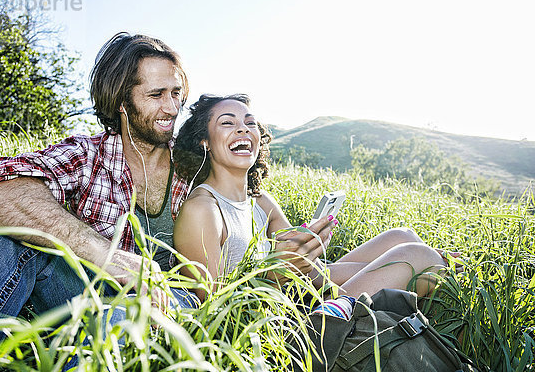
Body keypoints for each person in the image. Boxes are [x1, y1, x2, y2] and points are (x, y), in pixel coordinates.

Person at [0, 32, 198, 344]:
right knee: (8, 231)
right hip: (79, 294)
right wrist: (105, 255)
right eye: (156, 95)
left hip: (163, 304)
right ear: (122, 102)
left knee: (122, 320)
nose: (171, 108)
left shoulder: (195, 164)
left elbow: (253, 200)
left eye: (176, 93)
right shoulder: (87, 155)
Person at [172, 94, 447, 306]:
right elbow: (216, 308)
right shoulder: (203, 209)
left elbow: (312, 273)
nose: (243, 129)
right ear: (203, 142)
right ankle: (348, 314)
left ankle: (376, 293)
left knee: (403, 237)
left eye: (250, 123)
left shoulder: (260, 202)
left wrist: (309, 248)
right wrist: (274, 275)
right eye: (228, 123)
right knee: (418, 257)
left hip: (298, 297)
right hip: (284, 331)